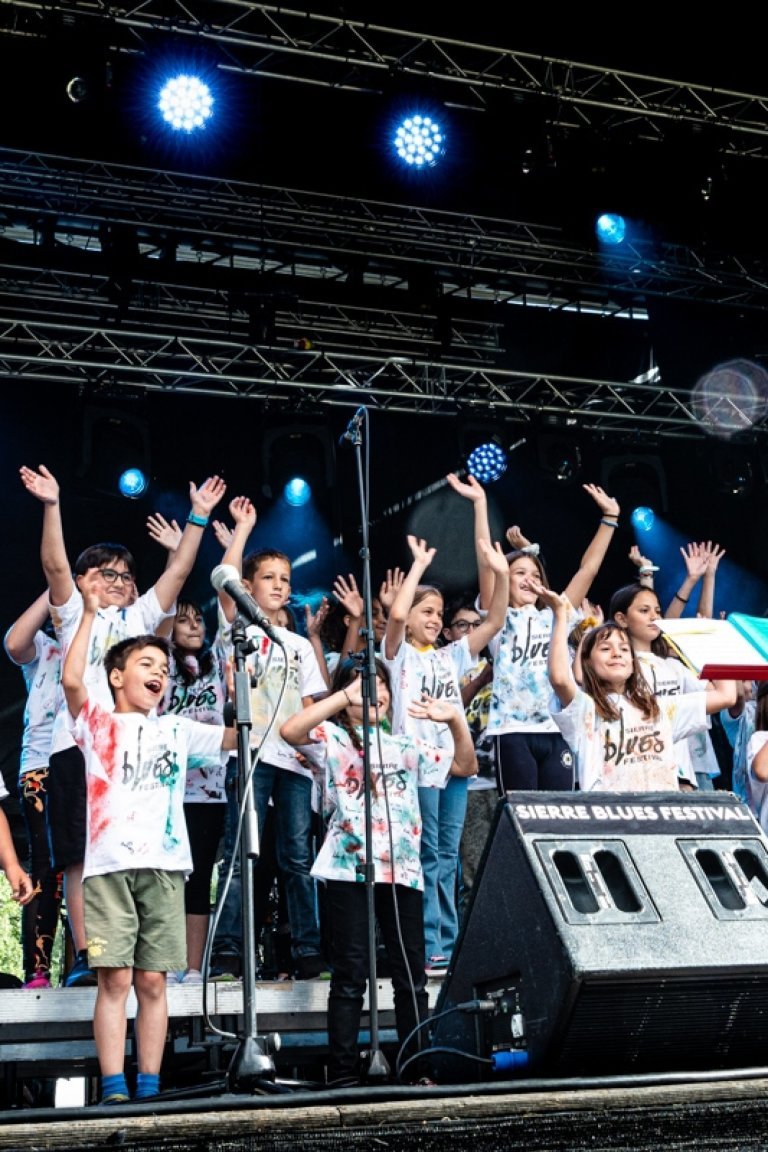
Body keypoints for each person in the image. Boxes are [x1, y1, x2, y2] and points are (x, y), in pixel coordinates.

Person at [19, 463, 226, 987]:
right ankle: (91, 953)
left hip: (136, 753)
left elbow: (176, 575)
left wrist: (199, 518)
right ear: (88, 581)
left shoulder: (137, 624)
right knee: (77, 855)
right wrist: (51, 505)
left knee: (137, 850)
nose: (117, 582)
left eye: (124, 575)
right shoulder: (72, 615)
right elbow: (54, 566)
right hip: (78, 746)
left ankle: (140, 953)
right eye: (106, 573)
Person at [60, 569, 237, 1106]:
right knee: (115, 982)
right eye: (146, 665)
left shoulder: (176, 729)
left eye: (163, 667)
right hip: (110, 867)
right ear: (116, 677)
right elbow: (72, 683)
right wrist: (89, 615)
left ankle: (151, 1086)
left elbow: (236, 735)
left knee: (154, 984)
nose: (159, 672)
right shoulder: (96, 721)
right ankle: (113, 1086)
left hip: (164, 867)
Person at [280, 657, 477, 1086]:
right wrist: (341, 698)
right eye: (362, 684)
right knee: (350, 976)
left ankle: (417, 1069)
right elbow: (290, 731)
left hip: (403, 871)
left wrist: (455, 721)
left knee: (411, 977)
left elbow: (465, 767)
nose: (374, 692)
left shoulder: (406, 745)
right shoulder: (331, 738)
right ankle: (345, 1075)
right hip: (348, 869)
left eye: (380, 684)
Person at [213, 495, 329, 980]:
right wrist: (242, 529)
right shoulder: (236, 626)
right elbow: (224, 579)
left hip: (294, 762)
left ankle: (308, 952)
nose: (280, 585)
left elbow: (310, 707)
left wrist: (318, 757)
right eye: (269, 578)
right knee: (241, 856)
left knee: (298, 859)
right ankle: (228, 954)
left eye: (285, 578)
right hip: (251, 755)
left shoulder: (299, 644)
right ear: (249, 586)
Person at [446, 472, 621, 795]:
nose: (528, 579)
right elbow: (487, 563)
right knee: (522, 818)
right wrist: (481, 504)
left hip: (559, 727)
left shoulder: (557, 615)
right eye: (518, 573)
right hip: (514, 730)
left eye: (534, 573)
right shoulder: (498, 618)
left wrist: (609, 518)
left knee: (560, 817)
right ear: (505, 578)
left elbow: (588, 570)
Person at [382, 532, 509, 972]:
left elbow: (493, 622)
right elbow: (396, 615)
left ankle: (449, 943)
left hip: (454, 764)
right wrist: (417, 567)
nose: (435, 619)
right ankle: (428, 940)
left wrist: (502, 573)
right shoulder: (398, 656)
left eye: (438, 612)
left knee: (448, 855)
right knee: (426, 853)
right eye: (428, 611)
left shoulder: (450, 657)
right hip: (416, 766)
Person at [537, 581, 736, 791]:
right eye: (605, 648)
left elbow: (726, 696)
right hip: (611, 818)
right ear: (587, 662)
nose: (616, 653)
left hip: (663, 815)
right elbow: (559, 679)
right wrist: (560, 615)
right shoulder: (586, 710)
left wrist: (715, 643)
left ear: (633, 663)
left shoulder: (660, 708)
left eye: (624, 649)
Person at [159, 598, 229, 985]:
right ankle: (168, 962)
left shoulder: (216, 662)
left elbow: (228, 611)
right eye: (183, 620)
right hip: (168, 788)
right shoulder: (163, 663)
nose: (193, 625)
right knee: (170, 877)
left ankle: (194, 967)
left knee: (200, 877)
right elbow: (162, 613)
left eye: (198, 619)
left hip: (209, 791)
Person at [3, 591, 64, 988]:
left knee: (88, 869)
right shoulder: (46, 646)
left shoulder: (113, 638)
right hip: (42, 765)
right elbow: (13, 643)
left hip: (97, 766)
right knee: (44, 866)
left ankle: (88, 966)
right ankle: (37, 970)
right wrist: (55, 588)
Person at [440, 595, 497, 922]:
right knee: (471, 869)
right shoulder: (444, 662)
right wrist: (479, 679)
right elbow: (450, 708)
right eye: (463, 624)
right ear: (448, 632)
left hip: (502, 778)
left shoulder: (502, 659)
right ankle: (464, 943)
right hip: (469, 782)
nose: (473, 630)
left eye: (478, 624)